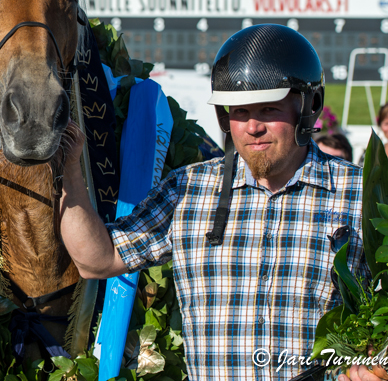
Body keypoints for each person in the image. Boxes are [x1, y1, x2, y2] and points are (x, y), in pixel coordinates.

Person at [57, 24, 381, 381]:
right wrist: (71, 169)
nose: (252, 126)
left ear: (309, 106)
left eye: (269, 109)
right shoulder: (187, 189)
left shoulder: (364, 193)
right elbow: (96, 258)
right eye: (239, 112)